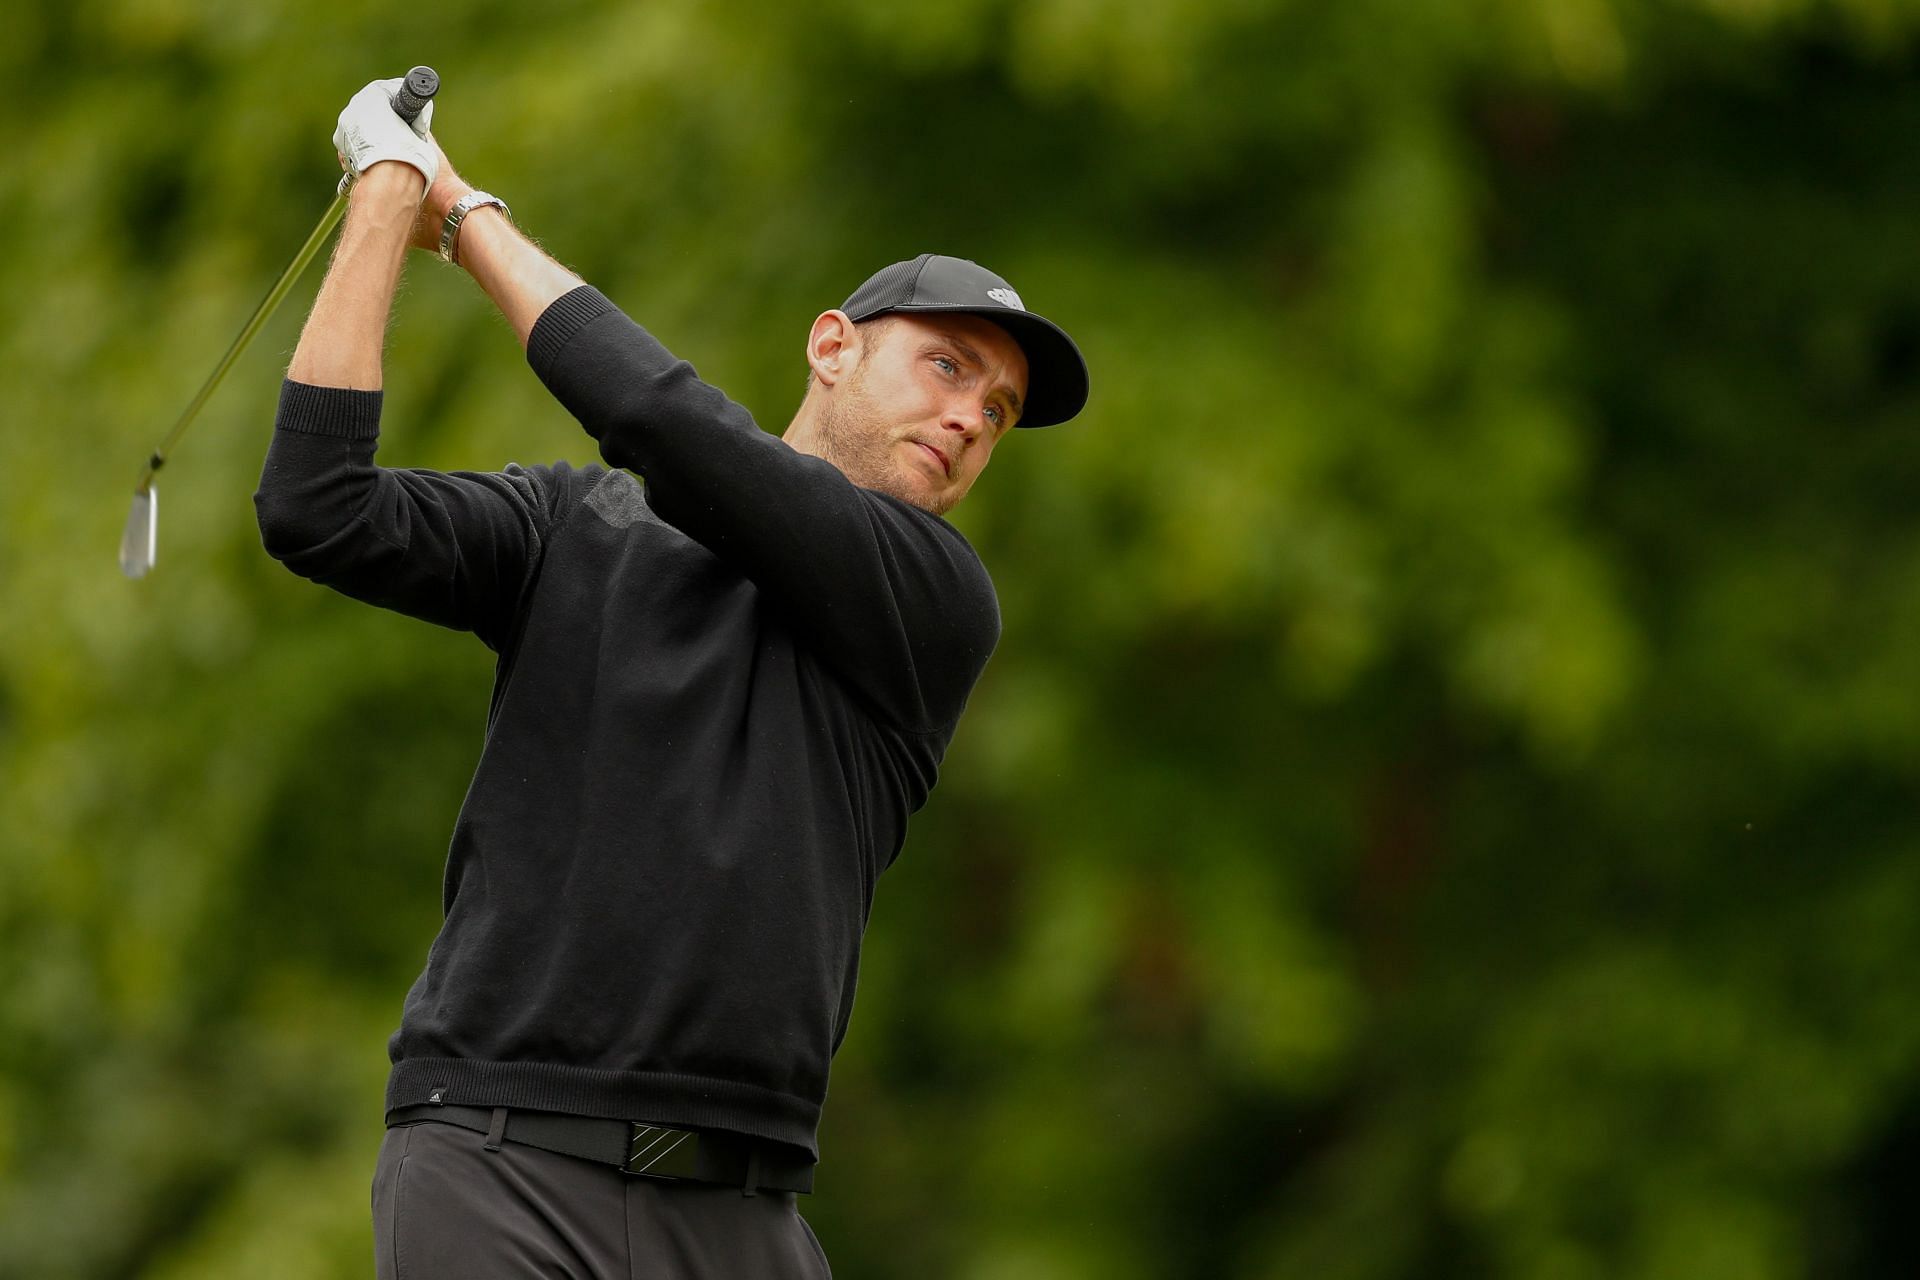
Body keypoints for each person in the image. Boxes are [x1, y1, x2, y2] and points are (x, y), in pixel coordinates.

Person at [252, 78, 1091, 1277]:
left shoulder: (934, 602)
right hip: (499, 1161)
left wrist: (467, 215)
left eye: (998, 409)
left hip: (746, 1215)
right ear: (832, 344)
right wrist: (387, 198)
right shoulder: (572, 525)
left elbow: (671, 427)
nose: (970, 417)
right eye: (948, 365)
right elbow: (316, 508)